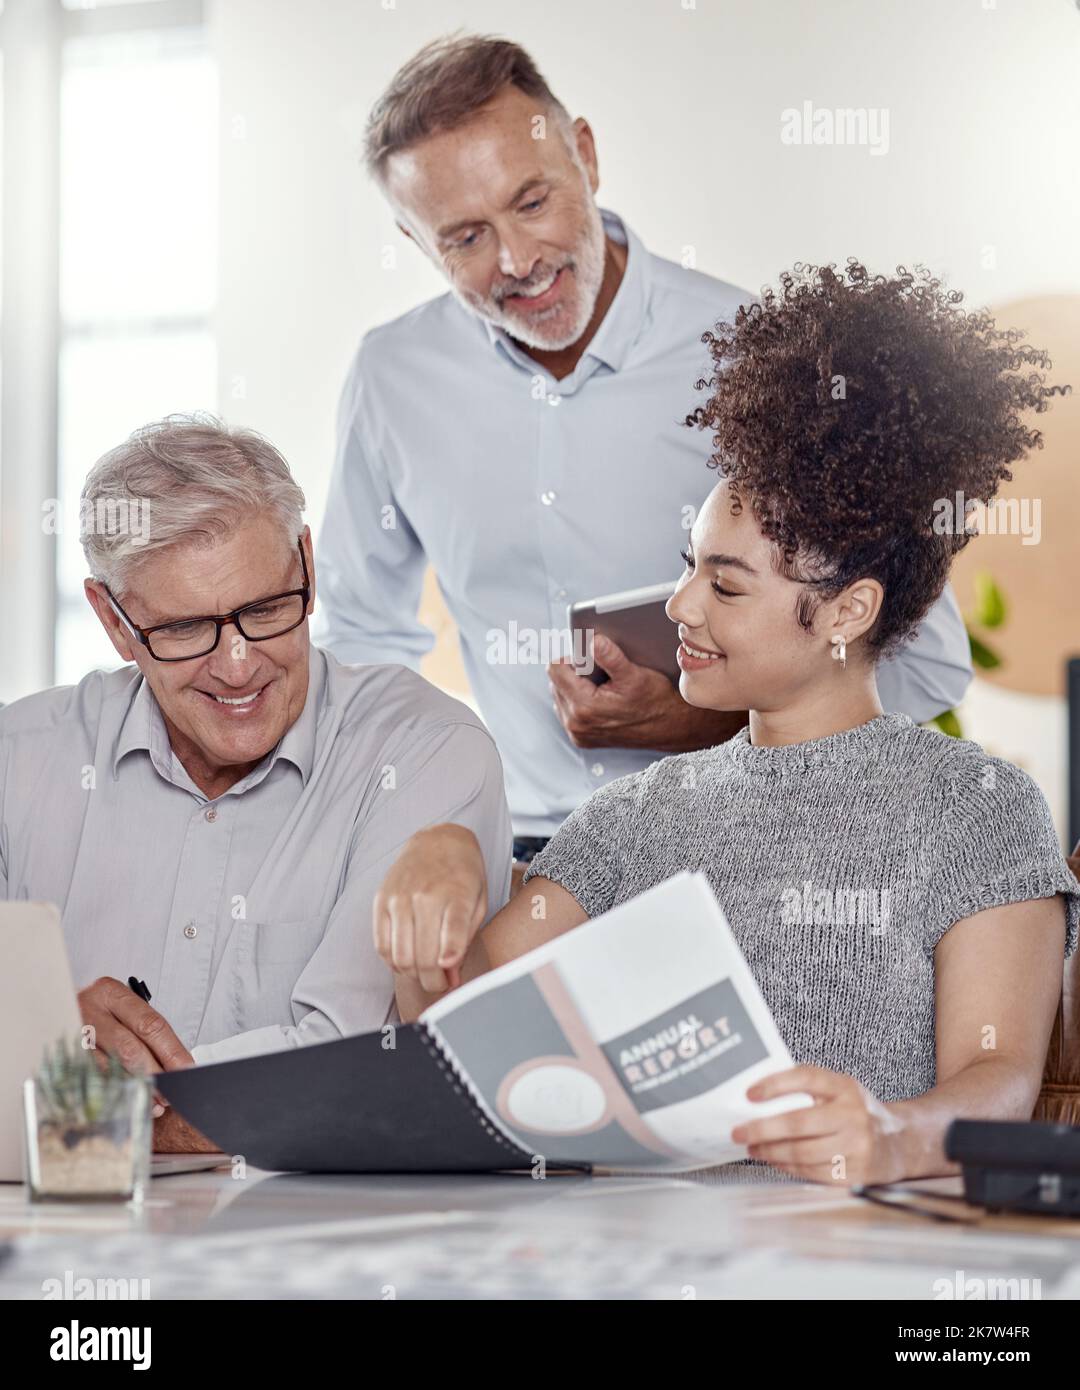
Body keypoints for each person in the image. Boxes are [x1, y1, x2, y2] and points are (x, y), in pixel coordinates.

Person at [372, 262, 1079, 1186]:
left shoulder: (975, 807)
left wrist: (889, 1137)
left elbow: (999, 1078)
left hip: (857, 1261)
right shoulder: (635, 818)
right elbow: (453, 1033)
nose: (679, 606)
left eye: (726, 584)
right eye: (688, 566)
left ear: (846, 613)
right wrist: (442, 859)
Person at [316, 35, 972, 860]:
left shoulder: (761, 354)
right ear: (418, 243)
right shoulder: (391, 376)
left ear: (585, 156)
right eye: (465, 238)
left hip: (748, 843)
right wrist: (428, 821)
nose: (518, 262)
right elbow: (363, 638)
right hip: (516, 853)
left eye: (531, 202)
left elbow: (925, 664)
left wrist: (697, 722)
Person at [0, 415, 511, 1151]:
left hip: (331, 1253)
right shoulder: (20, 761)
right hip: (62, 1247)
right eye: (183, 630)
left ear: (307, 561)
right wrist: (39, 1040)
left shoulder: (429, 753)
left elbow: (352, 1069)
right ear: (113, 621)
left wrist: (65, 1101)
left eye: (266, 610)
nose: (239, 666)